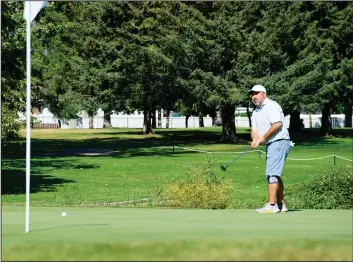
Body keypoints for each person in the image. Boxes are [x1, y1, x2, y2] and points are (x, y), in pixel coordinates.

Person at [249, 85, 291, 214]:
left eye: (256, 93)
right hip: (272, 143)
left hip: (279, 141)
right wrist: (255, 139)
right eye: (252, 94)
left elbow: (277, 124)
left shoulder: (272, 105)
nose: (254, 96)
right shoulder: (256, 112)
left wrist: (263, 137)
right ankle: (281, 204)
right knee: (275, 173)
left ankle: (272, 205)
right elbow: (254, 129)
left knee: (271, 174)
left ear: (264, 94)